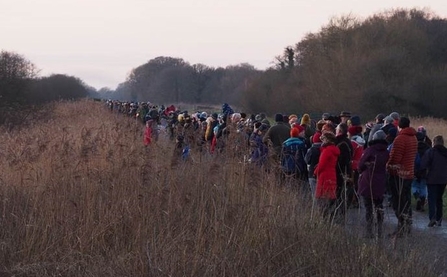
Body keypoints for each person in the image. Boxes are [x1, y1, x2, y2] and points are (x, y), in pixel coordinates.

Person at [386, 117, 418, 237]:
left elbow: (395, 157)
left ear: (399, 126)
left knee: (398, 201)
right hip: (409, 172)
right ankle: (407, 225)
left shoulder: (400, 139)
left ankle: (402, 227)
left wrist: (388, 165)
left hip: (398, 174)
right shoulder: (413, 137)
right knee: (406, 201)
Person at [357, 130, 389, 238]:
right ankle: (379, 230)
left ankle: (369, 231)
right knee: (379, 206)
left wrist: (363, 168)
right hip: (380, 182)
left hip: (368, 181)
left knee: (368, 208)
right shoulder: (386, 152)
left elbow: (360, 165)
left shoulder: (370, 150)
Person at [420, 135, 447, 227]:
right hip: (443, 179)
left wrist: (421, 174)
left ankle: (432, 218)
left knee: (432, 199)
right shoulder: (445, 152)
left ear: (433, 142)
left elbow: (424, 164)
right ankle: (439, 219)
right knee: (439, 199)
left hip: (432, 178)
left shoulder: (430, 152)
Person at [314, 131, 340, 220]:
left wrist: (315, 172)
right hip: (331, 174)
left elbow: (322, 164)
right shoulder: (334, 150)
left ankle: (323, 220)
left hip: (324, 176)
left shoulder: (327, 150)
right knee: (329, 199)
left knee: (322, 200)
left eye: (324, 139)